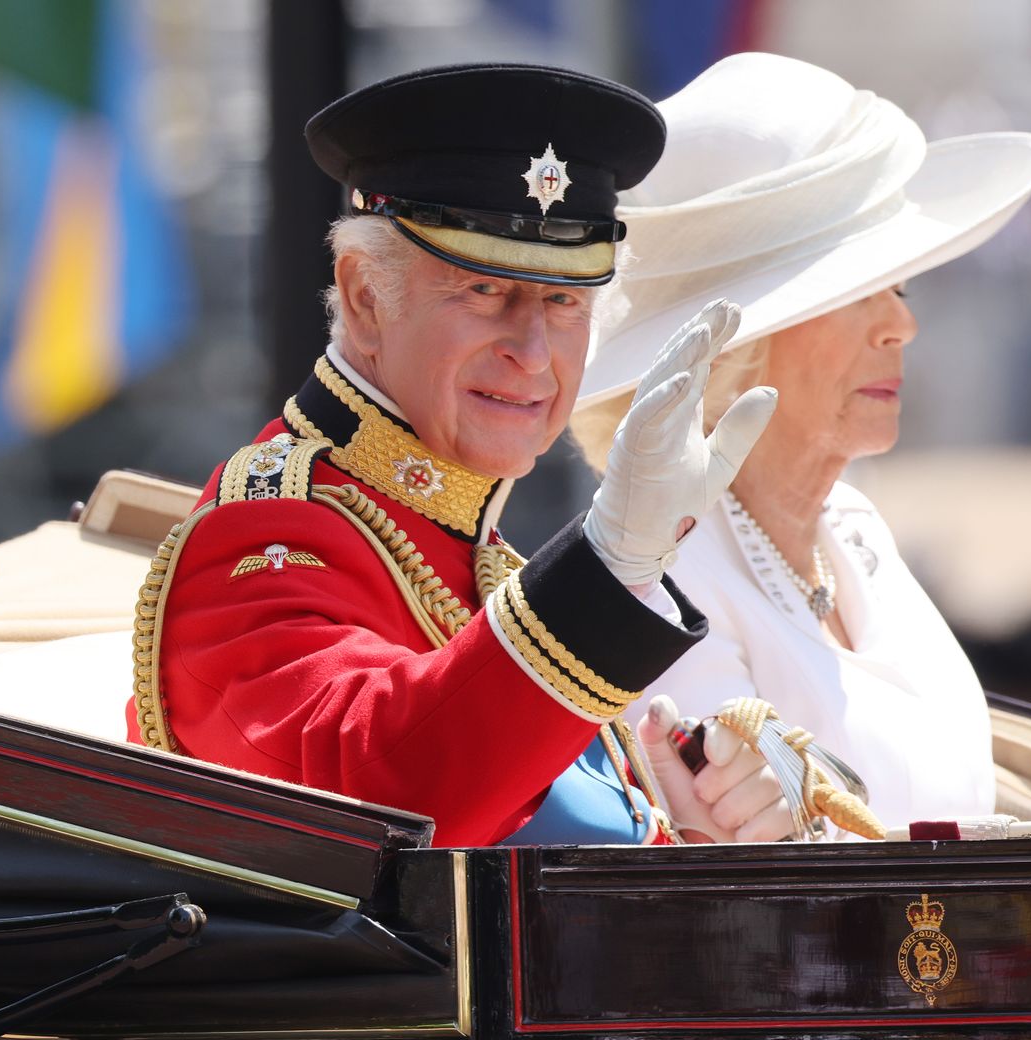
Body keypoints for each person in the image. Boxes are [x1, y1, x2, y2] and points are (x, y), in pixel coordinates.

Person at [126, 62, 790, 848]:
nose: (535, 353)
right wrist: (609, 570)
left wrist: (683, 830)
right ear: (368, 297)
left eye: (565, 301)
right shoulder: (259, 531)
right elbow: (376, 802)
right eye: (485, 291)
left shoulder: (480, 554)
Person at [572, 53, 1031, 831]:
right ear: (740, 342)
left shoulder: (855, 529)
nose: (903, 325)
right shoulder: (663, 578)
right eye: (857, 290)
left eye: (898, 286)